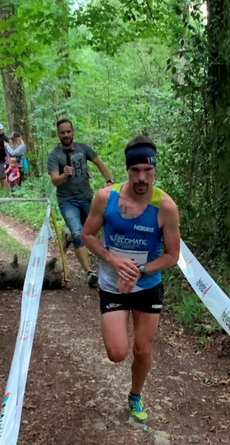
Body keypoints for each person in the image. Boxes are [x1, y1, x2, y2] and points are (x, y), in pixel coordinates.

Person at [81, 135, 181, 424]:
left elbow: (172, 255)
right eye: (135, 170)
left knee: (142, 349)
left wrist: (140, 271)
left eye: (147, 170)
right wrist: (112, 260)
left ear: (155, 170)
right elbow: (86, 236)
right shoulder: (106, 199)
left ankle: (135, 395)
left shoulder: (165, 207)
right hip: (113, 285)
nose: (141, 177)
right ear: (127, 170)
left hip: (147, 285)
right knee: (116, 353)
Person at [47, 118, 113, 287]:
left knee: (90, 231)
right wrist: (64, 175)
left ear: (73, 132)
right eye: (63, 132)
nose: (66, 135)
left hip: (86, 197)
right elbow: (55, 180)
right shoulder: (54, 155)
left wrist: (108, 180)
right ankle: (90, 273)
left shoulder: (83, 148)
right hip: (67, 201)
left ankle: (67, 236)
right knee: (79, 233)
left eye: (68, 131)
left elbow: (98, 162)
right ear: (58, 134)